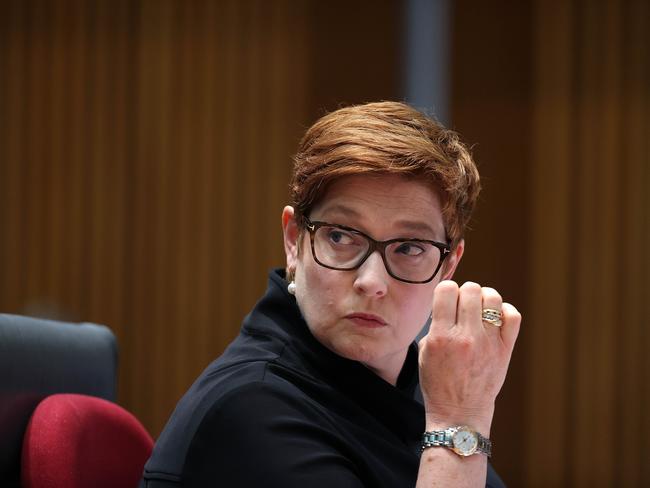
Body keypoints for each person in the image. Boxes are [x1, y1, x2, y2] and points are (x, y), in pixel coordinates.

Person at [140, 101, 521, 487]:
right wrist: (460, 424)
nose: (371, 281)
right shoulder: (252, 409)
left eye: (408, 248)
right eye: (340, 236)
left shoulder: (415, 390)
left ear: (448, 267)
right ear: (294, 241)